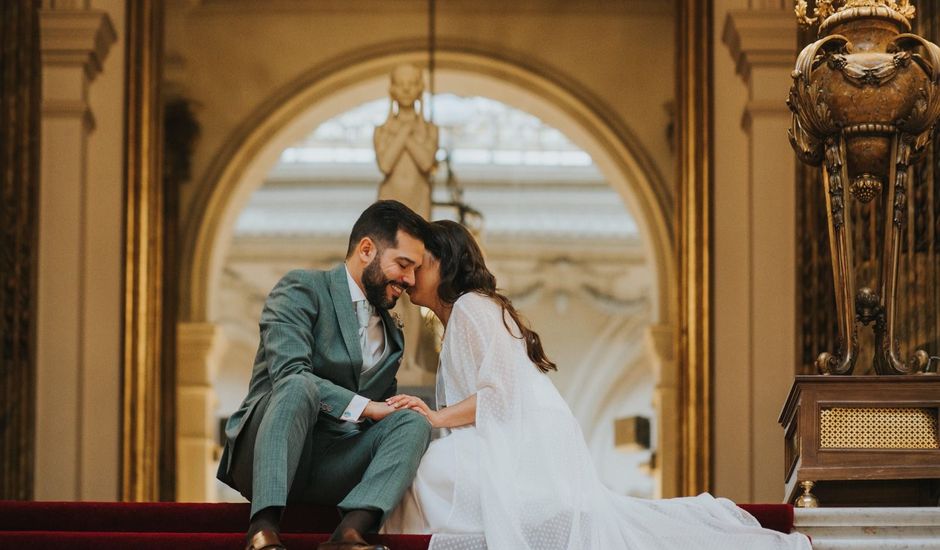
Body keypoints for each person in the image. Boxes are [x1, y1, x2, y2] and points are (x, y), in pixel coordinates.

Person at [382, 220, 812, 550]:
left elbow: (500, 394)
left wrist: (435, 416)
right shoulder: (465, 315)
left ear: (445, 264)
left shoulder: (472, 308)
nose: (409, 276)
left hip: (521, 443)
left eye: (420, 265)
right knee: (435, 466)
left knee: (432, 468)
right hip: (514, 437)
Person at [217, 200, 435, 550]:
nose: (409, 280)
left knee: (415, 421)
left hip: (334, 463)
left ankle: (349, 533)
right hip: (268, 451)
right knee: (298, 384)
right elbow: (289, 373)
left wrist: (396, 408)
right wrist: (367, 407)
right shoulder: (302, 288)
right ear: (367, 249)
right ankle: (262, 529)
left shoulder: (394, 333)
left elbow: (382, 411)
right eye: (403, 265)